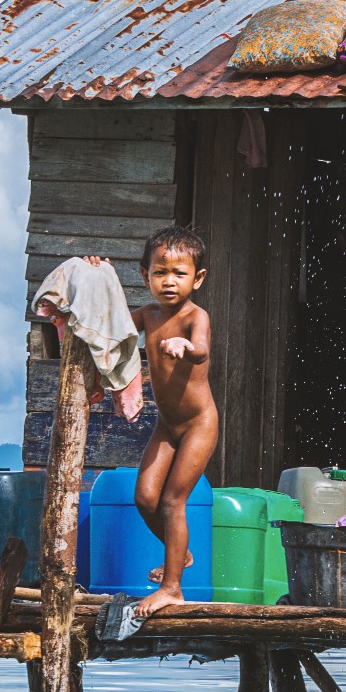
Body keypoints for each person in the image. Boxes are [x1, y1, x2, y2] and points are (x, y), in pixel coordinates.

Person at [131, 226, 217, 619]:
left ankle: (172, 588)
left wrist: (186, 346)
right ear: (145, 274)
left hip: (199, 423)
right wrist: (93, 274)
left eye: (179, 273)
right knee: (145, 498)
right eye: (160, 272)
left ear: (197, 279)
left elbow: (200, 351)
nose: (169, 281)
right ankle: (180, 555)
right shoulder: (147, 316)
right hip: (166, 426)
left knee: (171, 500)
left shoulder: (194, 316)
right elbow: (110, 324)